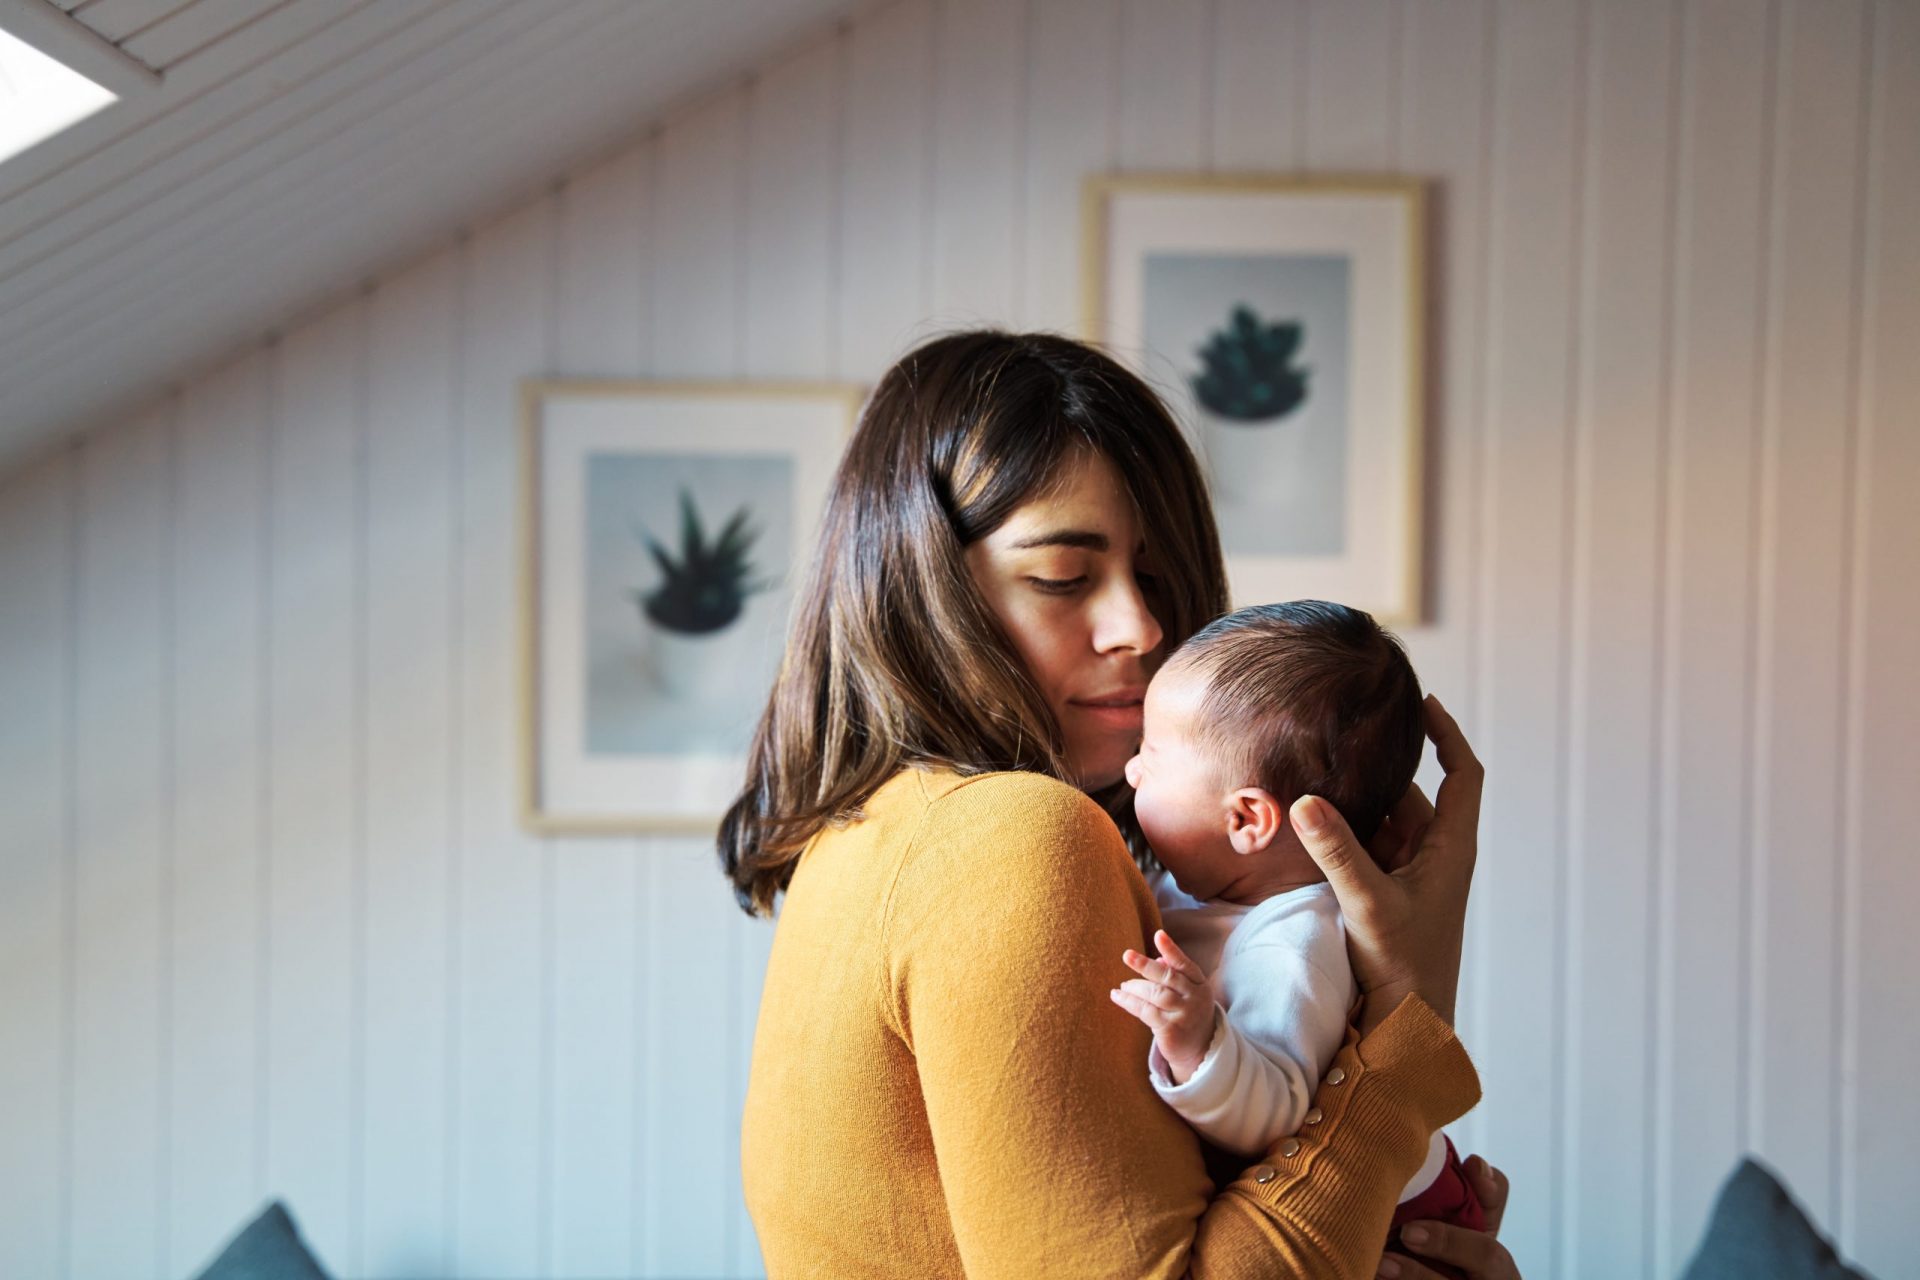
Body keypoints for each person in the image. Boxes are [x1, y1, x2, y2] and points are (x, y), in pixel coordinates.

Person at [720, 329, 1522, 1279]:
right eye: (1064, 576)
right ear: (923, 590)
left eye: (1155, 575)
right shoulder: (1007, 835)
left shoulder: (870, 836)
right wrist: (1405, 1022)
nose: (1140, 626)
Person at [1114, 601, 1487, 1279]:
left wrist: (1200, 1042)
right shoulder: (1209, 889)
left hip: (1399, 1225)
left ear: (1248, 819)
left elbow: (1276, 1111)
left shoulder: (1293, 945)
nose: (1132, 772)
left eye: (1151, 755)